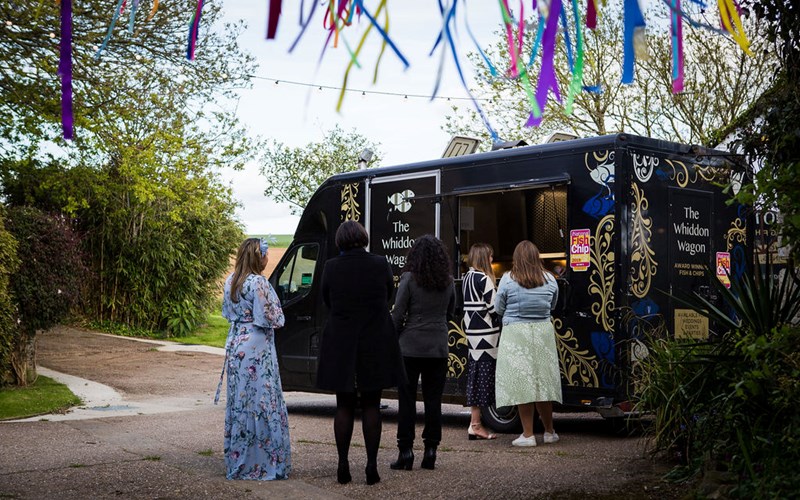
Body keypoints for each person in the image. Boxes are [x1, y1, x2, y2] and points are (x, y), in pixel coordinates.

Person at [316, 220, 403, 486]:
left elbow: (326, 299)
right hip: (374, 339)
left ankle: (343, 464)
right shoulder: (380, 263)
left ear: (340, 241)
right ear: (363, 237)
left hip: (341, 339)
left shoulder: (331, 267)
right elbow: (389, 295)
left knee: (343, 404)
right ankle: (371, 466)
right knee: (371, 404)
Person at [216, 237, 291, 480]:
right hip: (256, 348)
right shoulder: (258, 282)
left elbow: (227, 313)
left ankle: (240, 458)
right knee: (262, 401)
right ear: (260, 258)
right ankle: (263, 462)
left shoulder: (231, 281)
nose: (268, 259)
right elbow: (271, 318)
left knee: (241, 402)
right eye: (266, 255)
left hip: (236, 345)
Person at [390, 234, 456, 471]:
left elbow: (398, 314)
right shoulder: (448, 281)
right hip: (437, 346)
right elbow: (451, 312)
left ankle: (405, 451)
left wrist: (394, 338)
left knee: (406, 401)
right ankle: (431, 450)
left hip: (410, 346)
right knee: (433, 401)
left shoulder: (409, 278)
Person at [495, 240, 562, 447]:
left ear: (517, 259)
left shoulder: (507, 279)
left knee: (523, 385)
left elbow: (498, 307)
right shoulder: (551, 279)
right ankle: (549, 432)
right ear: (536, 257)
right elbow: (553, 305)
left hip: (516, 333)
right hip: (542, 332)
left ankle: (528, 435)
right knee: (543, 383)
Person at [462, 243, 500, 440]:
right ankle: (476, 424)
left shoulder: (467, 277)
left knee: (475, 380)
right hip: (486, 337)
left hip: (473, 336)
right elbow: (495, 309)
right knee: (483, 382)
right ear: (485, 258)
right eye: (491, 256)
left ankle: (473, 424)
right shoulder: (484, 279)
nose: (493, 260)